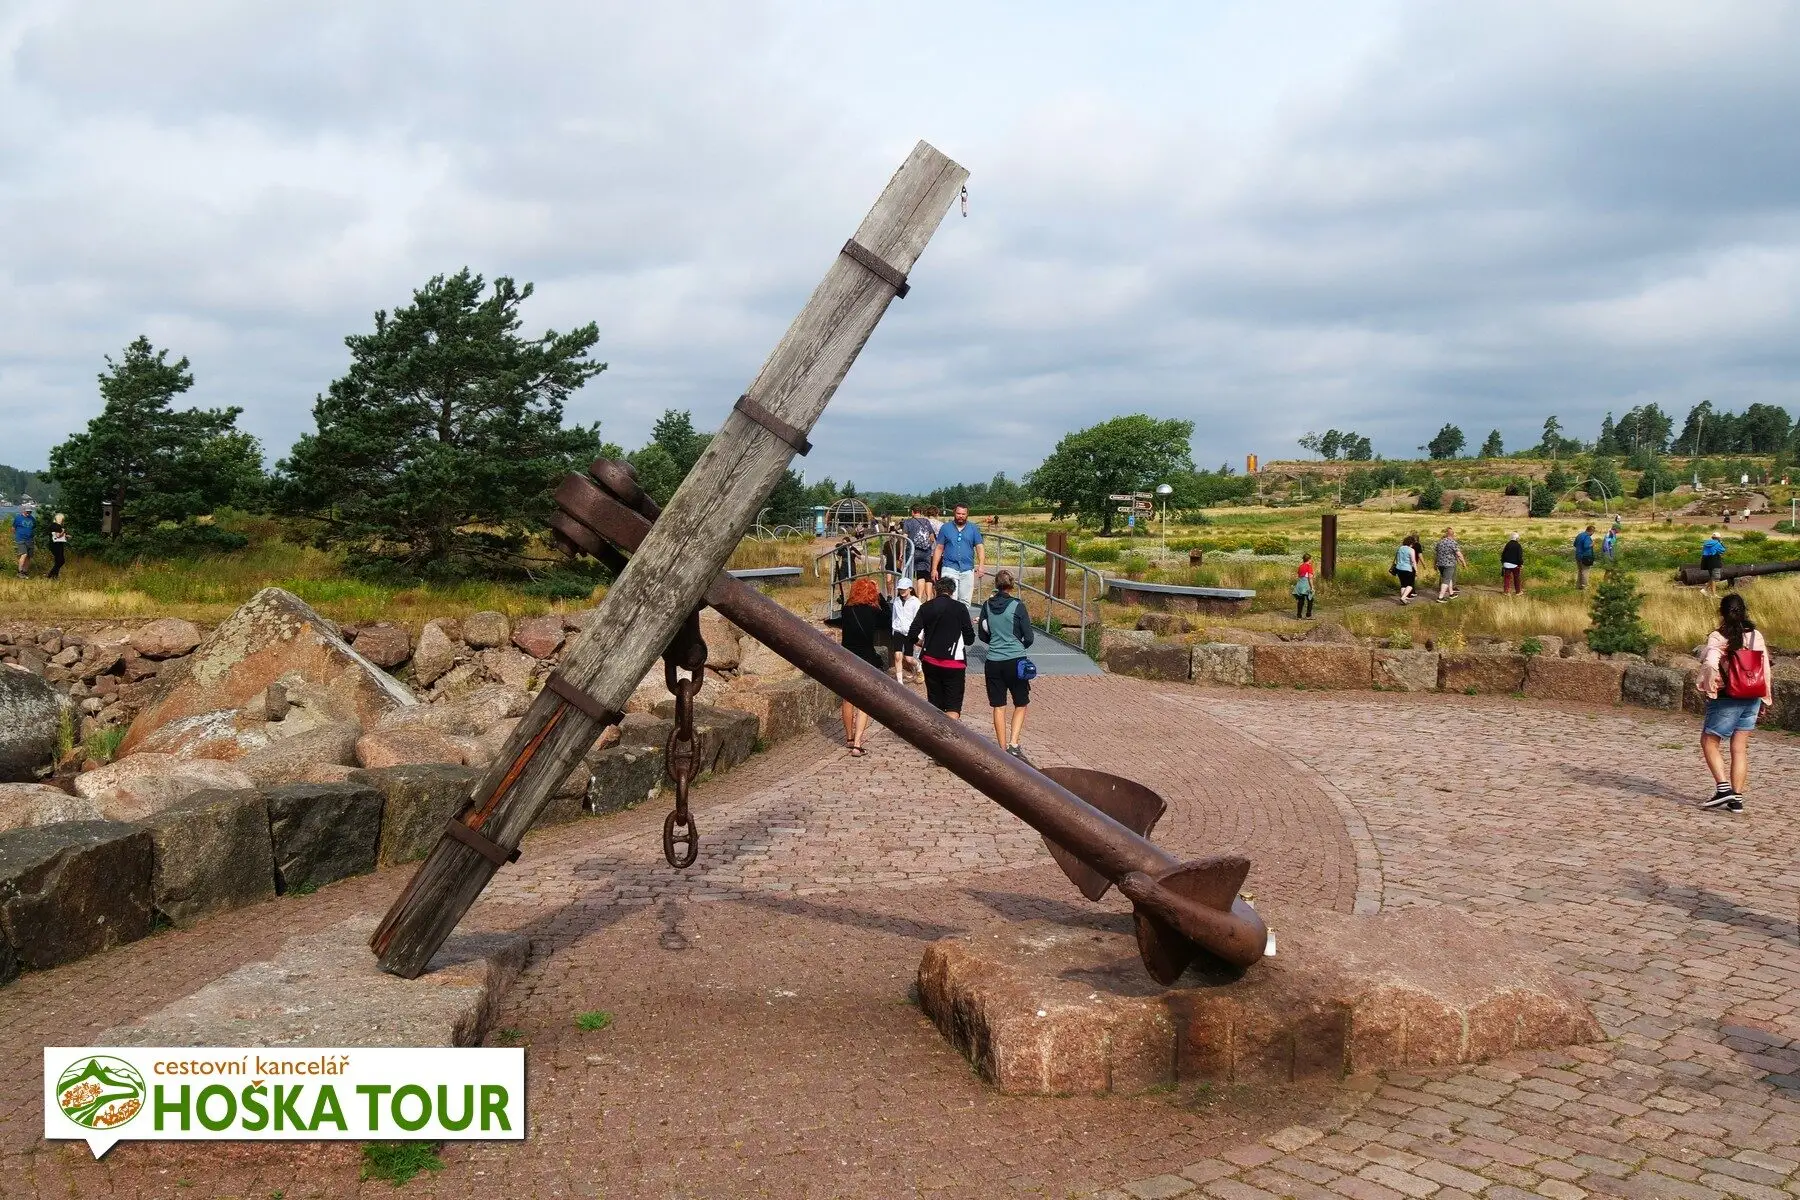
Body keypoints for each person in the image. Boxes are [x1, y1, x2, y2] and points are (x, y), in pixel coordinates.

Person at [1696, 593, 1772, 812]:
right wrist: (1765, 698)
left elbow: (1711, 664)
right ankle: (1736, 799)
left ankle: (1723, 789)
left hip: (1727, 697)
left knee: (1709, 741)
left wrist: (1709, 687)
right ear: (1744, 611)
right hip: (1753, 695)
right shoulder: (1755, 635)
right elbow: (1765, 668)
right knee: (1739, 748)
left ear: (1721, 612)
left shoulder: (1718, 637)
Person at [977, 570, 1035, 758]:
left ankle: (1001, 749)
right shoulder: (1018, 606)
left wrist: (995, 643)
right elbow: (1029, 637)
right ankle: (1013, 744)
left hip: (993, 661)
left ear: (996, 584)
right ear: (1012, 585)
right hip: (1015, 660)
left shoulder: (986, 605)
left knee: (998, 705)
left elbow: (982, 635)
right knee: (1021, 702)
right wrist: (1018, 646)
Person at [831, 577, 889, 757]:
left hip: (847, 658)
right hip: (866, 659)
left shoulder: (847, 610)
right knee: (863, 702)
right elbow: (888, 618)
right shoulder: (873, 611)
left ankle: (849, 738)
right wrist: (880, 595)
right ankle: (857, 744)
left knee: (847, 699)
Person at [908, 576, 975, 719]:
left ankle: (935, 730)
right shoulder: (960, 608)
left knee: (934, 703)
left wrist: (920, 643)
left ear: (935, 590)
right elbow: (970, 638)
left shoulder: (926, 607)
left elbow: (912, 633)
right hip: (954, 662)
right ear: (952, 591)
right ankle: (949, 732)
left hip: (930, 660)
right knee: (953, 706)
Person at [932, 503, 986, 603]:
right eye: (958, 513)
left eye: (963, 514)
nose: (960, 516)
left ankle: (963, 614)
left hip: (967, 568)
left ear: (967, 514)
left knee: (965, 600)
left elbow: (980, 547)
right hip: (949, 567)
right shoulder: (945, 528)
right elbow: (939, 548)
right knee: (949, 599)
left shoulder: (973, 528)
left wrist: (981, 565)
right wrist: (934, 569)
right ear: (954, 513)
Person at [890, 576, 922, 684]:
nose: (902, 591)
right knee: (898, 656)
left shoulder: (916, 602)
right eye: (900, 589)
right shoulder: (896, 601)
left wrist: (919, 636)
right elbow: (894, 616)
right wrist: (893, 629)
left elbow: (919, 620)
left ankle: (918, 667)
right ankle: (899, 682)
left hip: (910, 632)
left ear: (910, 589)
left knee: (908, 658)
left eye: (904, 589)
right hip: (898, 630)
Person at [902, 504, 935, 587]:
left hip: (912, 552)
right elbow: (932, 538)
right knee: (921, 575)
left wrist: (901, 552)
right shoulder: (926, 521)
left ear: (912, 512)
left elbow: (904, 538)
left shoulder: (908, 522)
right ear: (921, 512)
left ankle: (909, 591)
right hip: (925, 552)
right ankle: (920, 594)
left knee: (909, 574)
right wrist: (927, 546)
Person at [1433, 527, 1466, 602]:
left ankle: (1451, 594)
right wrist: (1463, 562)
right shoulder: (1452, 542)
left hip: (1440, 564)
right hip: (1449, 564)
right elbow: (1459, 554)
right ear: (1452, 535)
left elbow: (1436, 554)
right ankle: (1440, 597)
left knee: (1448, 578)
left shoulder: (1440, 542)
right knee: (1446, 580)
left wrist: (1435, 564)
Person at [12, 502, 36, 579]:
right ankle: (20, 572)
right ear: (24, 510)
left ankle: (25, 572)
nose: (28, 513)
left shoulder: (32, 519)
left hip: (30, 539)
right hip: (21, 539)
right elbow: (13, 528)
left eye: (30, 512)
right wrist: (17, 536)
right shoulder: (18, 518)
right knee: (24, 554)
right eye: (27, 511)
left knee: (28, 556)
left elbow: (33, 527)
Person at [1700, 530, 1726, 598]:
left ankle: (1713, 593)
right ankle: (1705, 589)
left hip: (1706, 561)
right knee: (1715, 577)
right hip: (1714, 561)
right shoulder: (1717, 544)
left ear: (1712, 537)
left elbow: (1703, 552)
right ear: (1718, 538)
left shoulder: (1706, 543)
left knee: (1712, 577)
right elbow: (1723, 550)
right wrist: (1721, 543)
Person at [1393, 535, 1418, 604]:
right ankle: (1403, 597)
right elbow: (1413, 561)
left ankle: (1404, 597)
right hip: (1407, 569)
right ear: (1411, 543)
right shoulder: (1411, 550)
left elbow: (1397, 559)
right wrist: (1416, 570)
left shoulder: (1400, 548)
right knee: (1410, 585)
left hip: (1399, 568)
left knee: (1403, 584)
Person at [1573, 524, 1597, 590]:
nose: (1593, 534)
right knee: (1585, 571)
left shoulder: (1579, 535)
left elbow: (1574, 544)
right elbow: (1586, 546)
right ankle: (1584, 586)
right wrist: (1592, 544)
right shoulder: (1587, 537)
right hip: (1585, 557)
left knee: (1580, 571)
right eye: (1593, 532)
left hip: (1578, 556)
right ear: (1591, 531)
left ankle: (1578, 586)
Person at [1293, 552, 1316, 619]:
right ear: (1309, 559)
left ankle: (1299, 616)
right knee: (1310, 599)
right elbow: (1310, 578)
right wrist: (1312, 587)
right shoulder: (1309, 566)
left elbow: (1299, 575)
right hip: (1306, 585)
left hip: (1299, 584)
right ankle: (1308, 615)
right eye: (1311, 559)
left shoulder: (1300, 566)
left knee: (1301, 600)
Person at [47, 512, 67, 580]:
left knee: (58, 560)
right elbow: (58, 536)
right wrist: (63, 531)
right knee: (61, 561)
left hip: (53, 544)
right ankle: (50, 574)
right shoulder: (57, 526)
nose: (63, 521)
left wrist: (66, 535)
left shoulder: (52, 525)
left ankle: (54, 576)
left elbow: (54, 535)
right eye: (63, 519)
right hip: (57, 545)